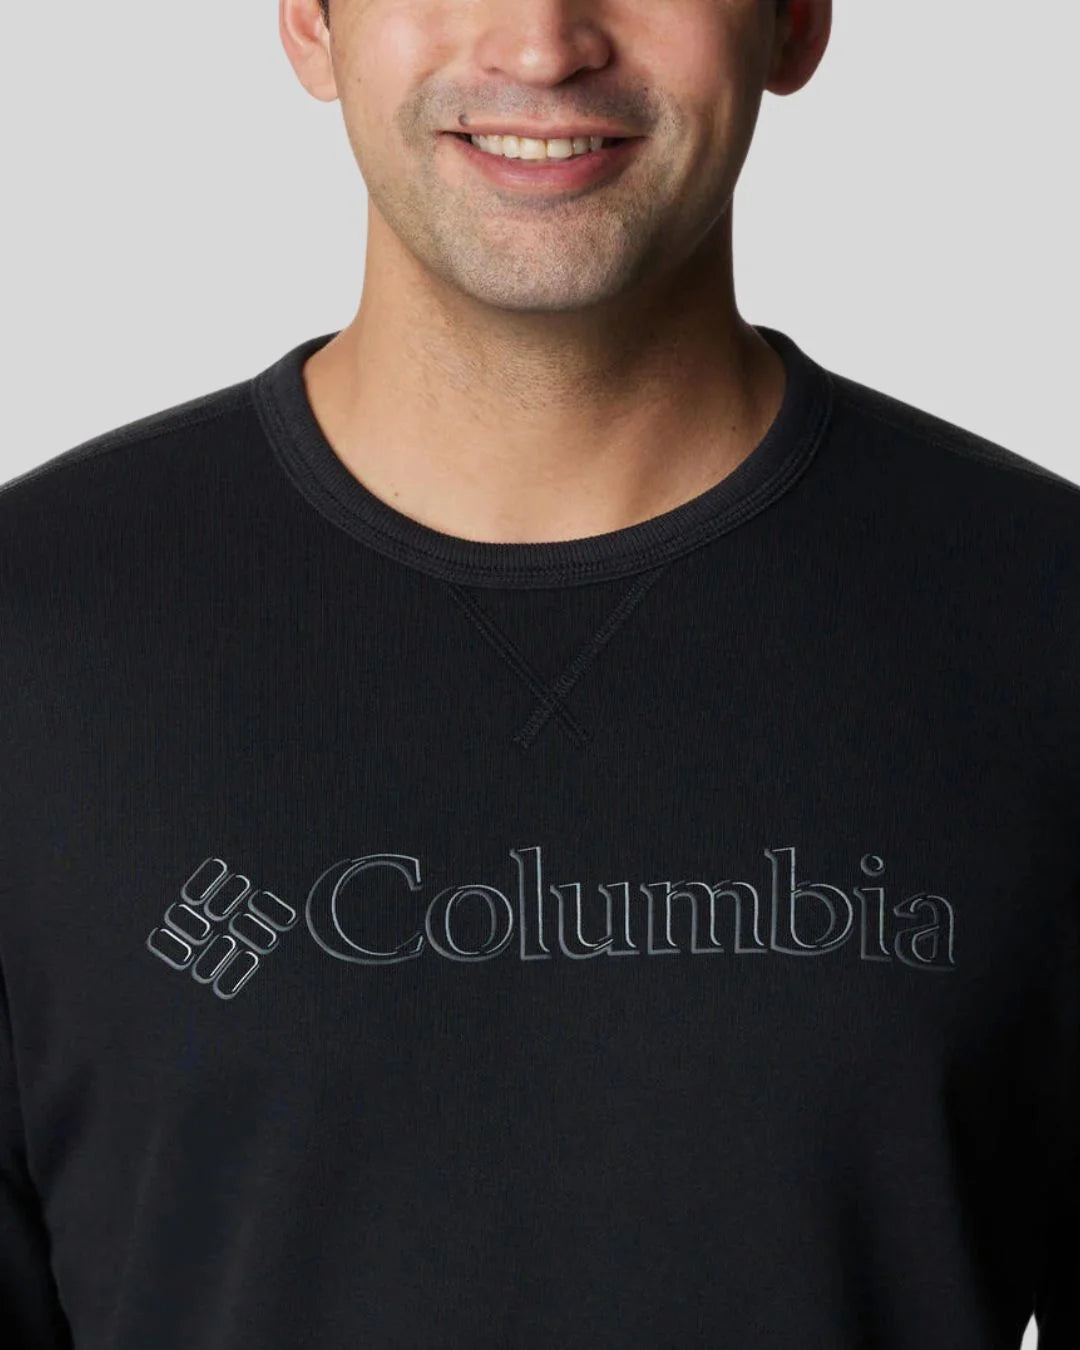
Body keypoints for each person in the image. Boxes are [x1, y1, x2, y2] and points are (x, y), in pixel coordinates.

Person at [1, 0, 1076, 1345]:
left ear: (795, 21)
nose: (542, 44)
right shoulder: (31, 635)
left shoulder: (1046, 621)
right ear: (310, 22)